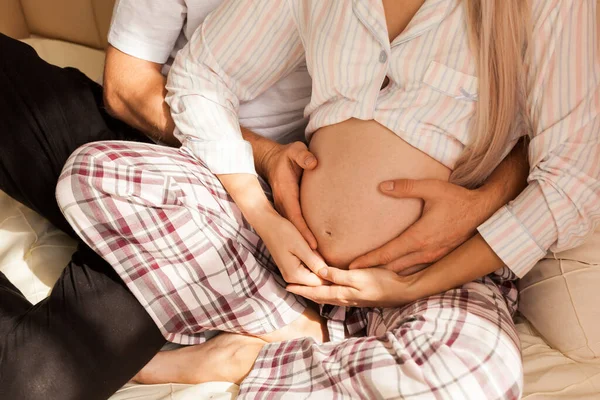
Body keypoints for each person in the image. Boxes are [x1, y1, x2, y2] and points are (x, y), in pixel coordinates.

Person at [56, 0, 600, 399]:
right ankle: (300, 329)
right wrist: (263, 213)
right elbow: (203, 76)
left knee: (470, 374)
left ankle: (252, 358)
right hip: (289, 265)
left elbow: (573, 173)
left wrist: (413, 283)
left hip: (439, 275)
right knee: (98, 174)